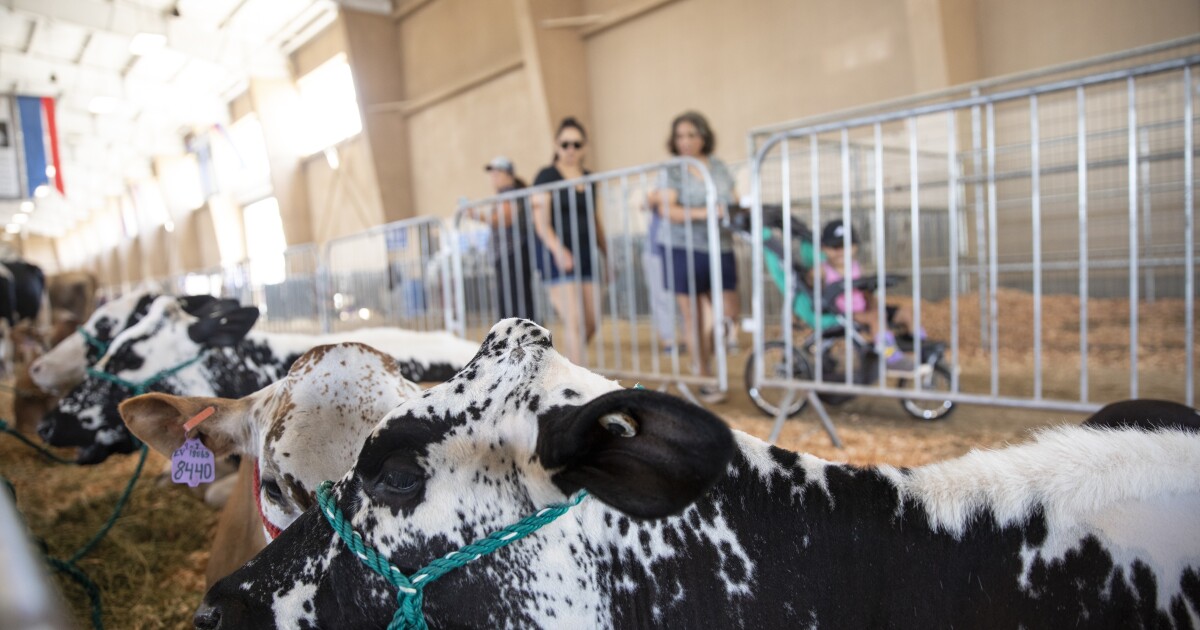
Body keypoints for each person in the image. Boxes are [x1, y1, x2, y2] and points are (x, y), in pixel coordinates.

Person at [647, 111, 739, 403]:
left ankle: (706, 357)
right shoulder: (672, 169)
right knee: (694, 315)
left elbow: (734, 201)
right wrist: (706, 213)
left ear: (703, 136)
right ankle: (704, 371)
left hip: (720, 244)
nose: (685, 141)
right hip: (681, 246)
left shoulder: (719, 166)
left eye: (691, 135)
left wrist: (734, 211)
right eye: (680, 136)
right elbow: (667, 210)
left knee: (729, 312)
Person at [531, 117, 606, 365]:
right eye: (565, 144)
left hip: (585, 255)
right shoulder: (547, 175)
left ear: (584, 146)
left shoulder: (588, 178)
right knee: (574, 321)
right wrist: (557, 250)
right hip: (556, 256)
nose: (571, 149)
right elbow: (541, 221)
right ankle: (578, 384)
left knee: (592, 321)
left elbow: (594, 219)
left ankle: (564, 366)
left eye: (576, 144)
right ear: (556, 145)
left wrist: (605, 252)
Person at [816, 219, 914, 369]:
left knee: (905, 312)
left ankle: (917, 346)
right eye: (835, 247)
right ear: (823, 248)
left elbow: (866, 291)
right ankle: (890, 356)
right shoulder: (822, 270)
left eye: (846, 246)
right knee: (876, 317)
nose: (841, 251)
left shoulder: (856, 266)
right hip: (844, 313)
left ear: (855, 247)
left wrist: (875, 304)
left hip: (864, 308)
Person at [472, 155, 536, 321]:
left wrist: (476, 215)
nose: (493, 178)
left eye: (497, 173)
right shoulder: (508, 194)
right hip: (509, 255)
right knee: (515, 302)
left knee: (514, 304)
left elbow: (504, 219)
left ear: (508, 175)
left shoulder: (509, 194)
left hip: (512, 254)